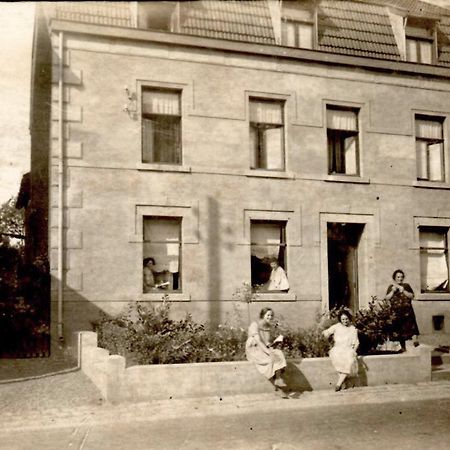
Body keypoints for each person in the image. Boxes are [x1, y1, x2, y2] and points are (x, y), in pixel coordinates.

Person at [245, 307, 288, 398]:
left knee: (279, 354)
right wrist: (269, 352)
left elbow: (266, 342)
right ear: (262, 315)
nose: (270, 317)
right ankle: (278, 388)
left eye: (271, 315)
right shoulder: (254, 325)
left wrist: (273, 344)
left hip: (263, 348)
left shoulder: (268, 327)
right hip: (254, 349)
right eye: (268, 315)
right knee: (271, 359)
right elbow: (259, 342)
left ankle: (278, 379)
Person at [322, 309, 359, 392]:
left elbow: (356, 342)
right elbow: (326, 332)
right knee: (337, 360)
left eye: (346, 319)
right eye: (343, 319)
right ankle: (342, 382)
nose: (345, 321)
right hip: (337, 349)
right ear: (340, 319)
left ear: (349, 319)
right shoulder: (336, 326)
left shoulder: (353, 329)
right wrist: (325, 335)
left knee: (348, 361)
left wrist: (353, 351)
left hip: (348, 349)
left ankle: (338, 384)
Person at [385, 269, 419, 351]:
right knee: (399, 331)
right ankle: (403, 348)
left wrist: (403, 291)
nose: (400, 279)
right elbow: (387, 298)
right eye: (398, 277)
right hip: (396, 313)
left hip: (407, 312)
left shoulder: (406, 286)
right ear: (394, 278)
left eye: (401, 277)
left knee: (412, 329)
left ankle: (416, 345)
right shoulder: (391, 287)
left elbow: (412, 296)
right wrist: (393, 291)